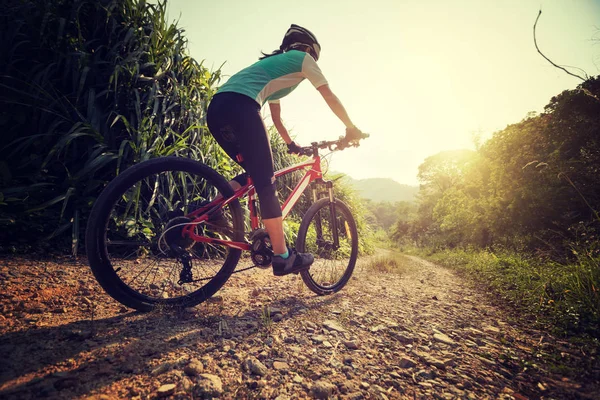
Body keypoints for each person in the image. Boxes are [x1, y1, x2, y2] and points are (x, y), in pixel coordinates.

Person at [206, 24, 363, 277]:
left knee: (254, 175)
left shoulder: (278, 67)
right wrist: (351, 128)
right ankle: (283, 257)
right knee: (267, 184)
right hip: (241, 107)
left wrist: (290, 145)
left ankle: (211, 209)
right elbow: (329, 96)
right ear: (310, 50)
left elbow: (277, 119)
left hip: (218, 109)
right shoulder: (303, 59)